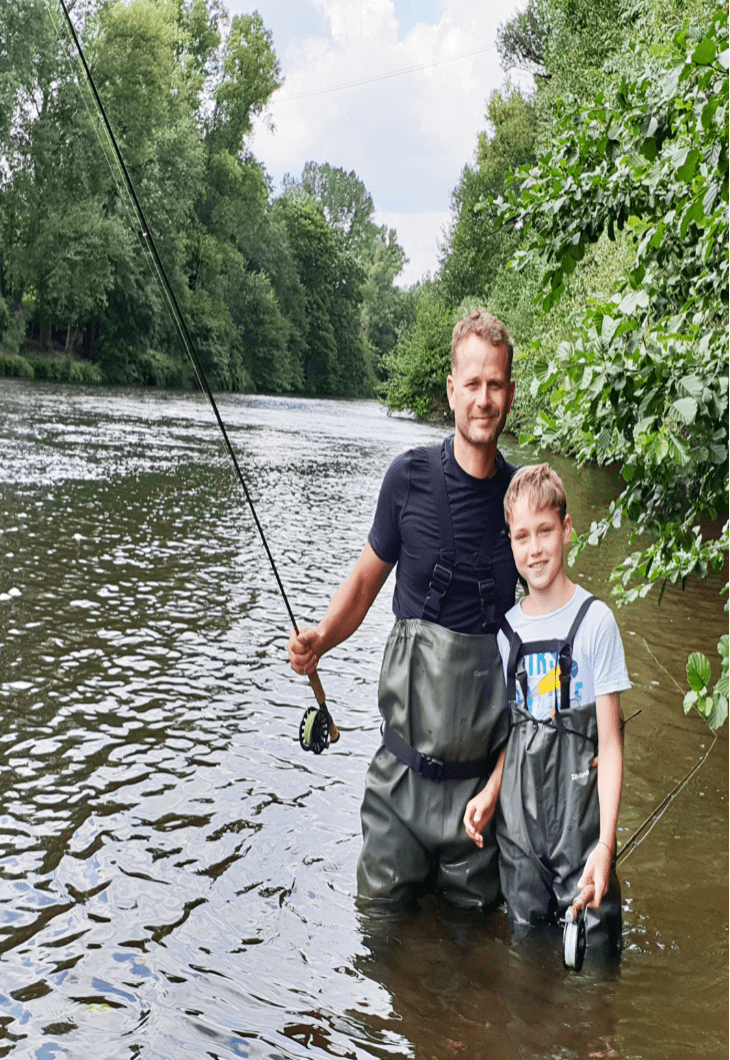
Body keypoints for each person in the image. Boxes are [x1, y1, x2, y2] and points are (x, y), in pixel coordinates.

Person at [288, 310, 520, 907]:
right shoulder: (408, 478)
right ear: (451, 389)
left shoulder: (524, 507)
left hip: (480, 799)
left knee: (468, 963)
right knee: (380, 941)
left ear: (510, 393)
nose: (484, 399)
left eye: (495, 384)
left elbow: (548, 626)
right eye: (472, 384)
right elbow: (365, 584)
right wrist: (321, 640)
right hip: (399, 782)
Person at [463, 463, 628, 958]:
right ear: (510, 543)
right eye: (521, 536)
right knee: (524, 971)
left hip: (581, 837)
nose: (534, 549)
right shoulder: (505, 633)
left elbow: (612, 745)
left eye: (545, 532)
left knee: (594, 976)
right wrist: (491, 792)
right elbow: (516, 733)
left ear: (567, 529)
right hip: (518, 837)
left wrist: (605, 845)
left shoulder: (597, 623)